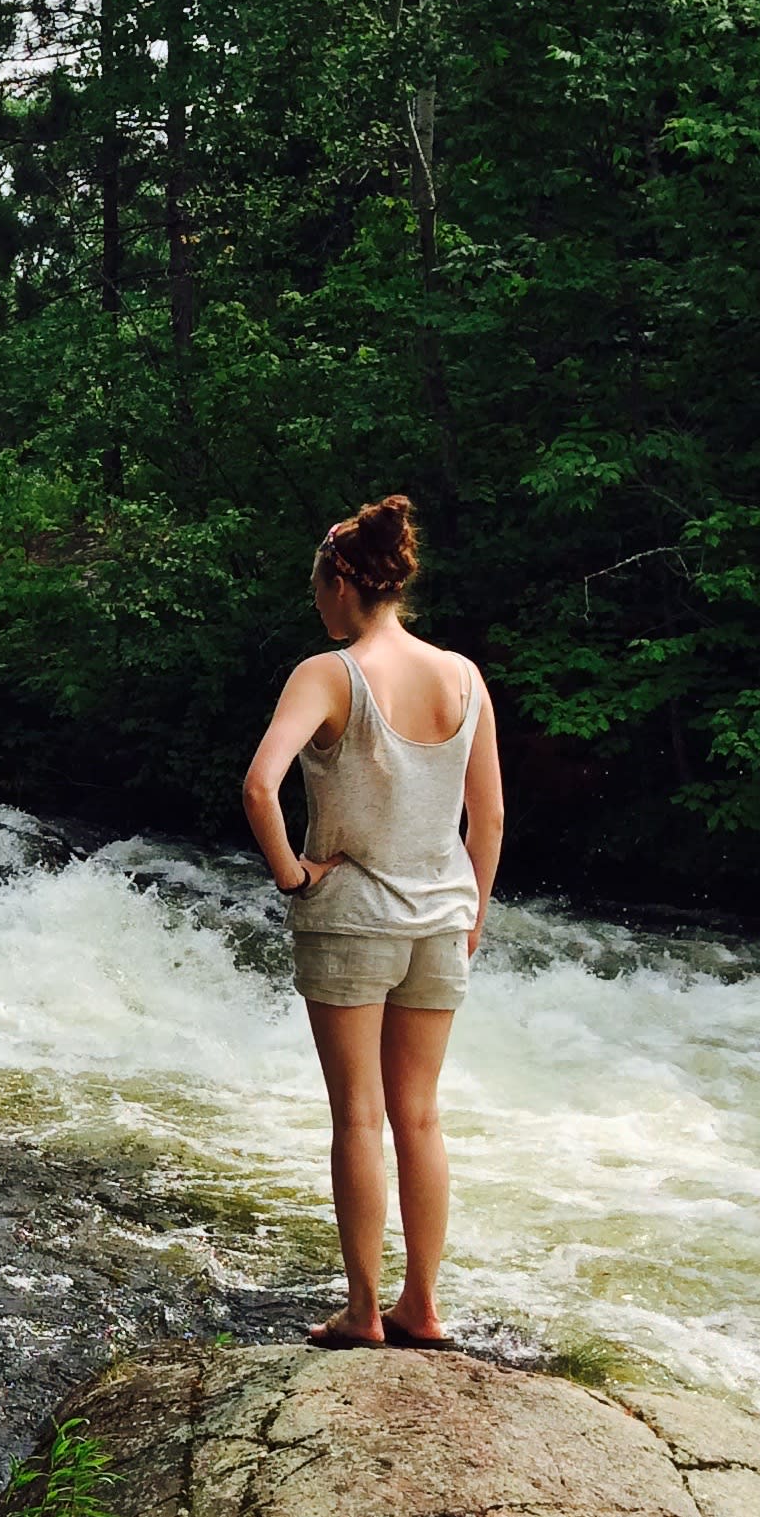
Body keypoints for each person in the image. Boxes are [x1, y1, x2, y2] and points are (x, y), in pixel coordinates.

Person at [240, 495, 503, 1352]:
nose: (315, 605)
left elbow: (257, 785)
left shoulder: (329, 673)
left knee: (358, 1116)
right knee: (419, 1117)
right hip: (441, 919)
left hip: (352, 921)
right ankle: (421, 1307)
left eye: (318, 589)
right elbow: (487, 818)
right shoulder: (463, 676)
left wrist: (293, 874)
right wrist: (474, 912)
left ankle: (363, 1312)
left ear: (344, 584)